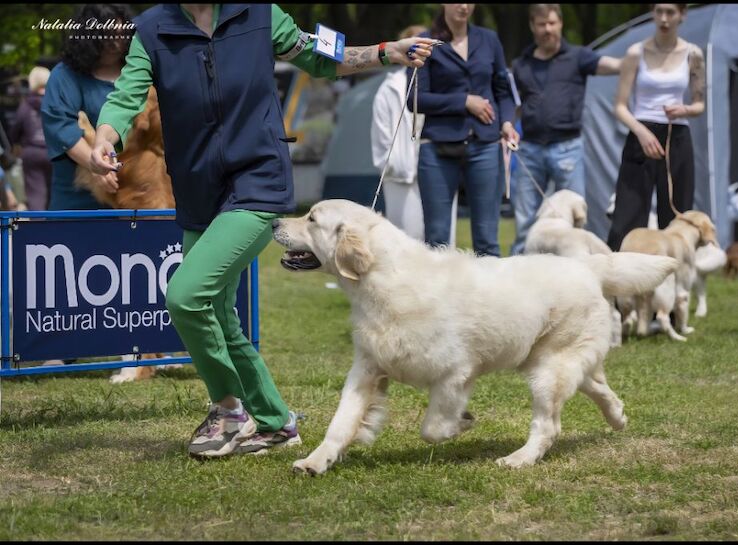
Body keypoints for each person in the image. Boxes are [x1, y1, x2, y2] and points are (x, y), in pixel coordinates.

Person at [88, 3, 436, 459]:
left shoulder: (261, 13)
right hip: (197, 189)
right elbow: (126, 95)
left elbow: (321, 55)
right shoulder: (152, 28)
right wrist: (103, 139)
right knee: (215, 309)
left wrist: (388, 51)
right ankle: (275, 422)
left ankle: (230, 410)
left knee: (185, 296)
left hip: (258, 182)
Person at [509, 4, 621, 256]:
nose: (547, 29)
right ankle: (520, 277)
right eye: (541, 24)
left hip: (568, 149)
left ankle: (578, 275)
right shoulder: (521, 64)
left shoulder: (578, 56)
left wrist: (642, 59)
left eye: (551, 23)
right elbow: (514, 105)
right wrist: (508, 130)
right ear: (532, 26)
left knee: (576, 221)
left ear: (560, 23)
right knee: (525, 220)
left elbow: (614, 66)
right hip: (529, 150)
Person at [410, 3, 519, 257]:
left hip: (485, 145)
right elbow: (415, 99)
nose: (464, 6)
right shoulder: (425, 41)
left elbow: (503, 90)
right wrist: (464, 101)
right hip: (437, 149)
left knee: (488, 242)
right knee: (436, 241)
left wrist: (506, 122)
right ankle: (437, 297)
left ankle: (491, 298)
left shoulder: (489, 39)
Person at [606, 3, 705, 252]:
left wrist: (686, 110)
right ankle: (619, 283)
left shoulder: (693, 54)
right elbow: (619, 106)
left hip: (677, 135)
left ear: (681, 15)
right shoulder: (635, 53)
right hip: (641, 135)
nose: (663, 19)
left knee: (676, 216)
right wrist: (641, 132)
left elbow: (699, 104)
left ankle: (675, 284)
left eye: (670, 12)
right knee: (627, 215)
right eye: (658, 11)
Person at [371, 24, 458, 246]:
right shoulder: (390, 87)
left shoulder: (446, 82)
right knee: (405, 244)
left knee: (442, 245)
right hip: (402, 177)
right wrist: (393, 165)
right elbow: (381, 134)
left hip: (441, 167)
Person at [41, 4, 133, 211]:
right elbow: (61, 128)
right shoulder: (64, 75)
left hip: (139, 197)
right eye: (107, 36)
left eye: (120, 35)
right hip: (79, 201)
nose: (115, 44)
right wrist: (96, 166)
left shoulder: (138, 72)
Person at [10, 67, 52, 211]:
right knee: (54, 192)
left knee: (35, 194)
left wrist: (14, 144)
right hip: (54, 152)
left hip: (31, 152)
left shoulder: (26, 104)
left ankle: (38, 228)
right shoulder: (54, 102)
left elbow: (16, 128)